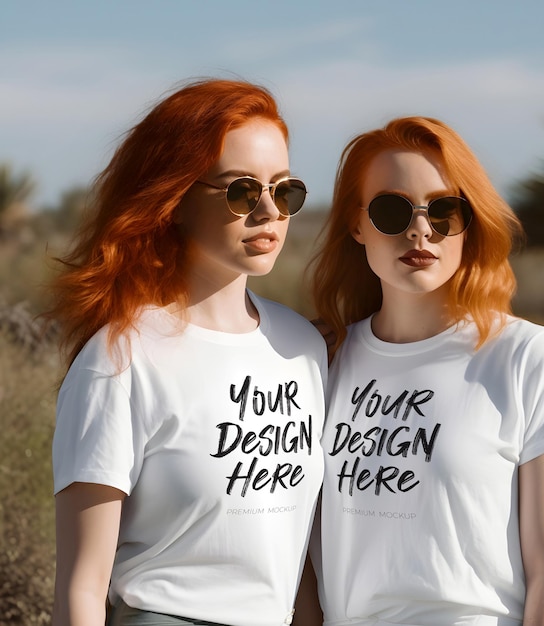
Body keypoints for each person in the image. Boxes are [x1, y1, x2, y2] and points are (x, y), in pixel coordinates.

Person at [48, 78, 327, 626]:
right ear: (173, 201)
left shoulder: (302, 347)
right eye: (242, 191)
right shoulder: (121, 358)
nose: (270, 211)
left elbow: (305, 565)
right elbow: (81, 589)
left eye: (285, 189)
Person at [307, 116, 544, 625]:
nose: (421, 228)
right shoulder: (320, 359)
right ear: (356, 224)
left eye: (444, 210)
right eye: (392, 209)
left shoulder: (524, 357)